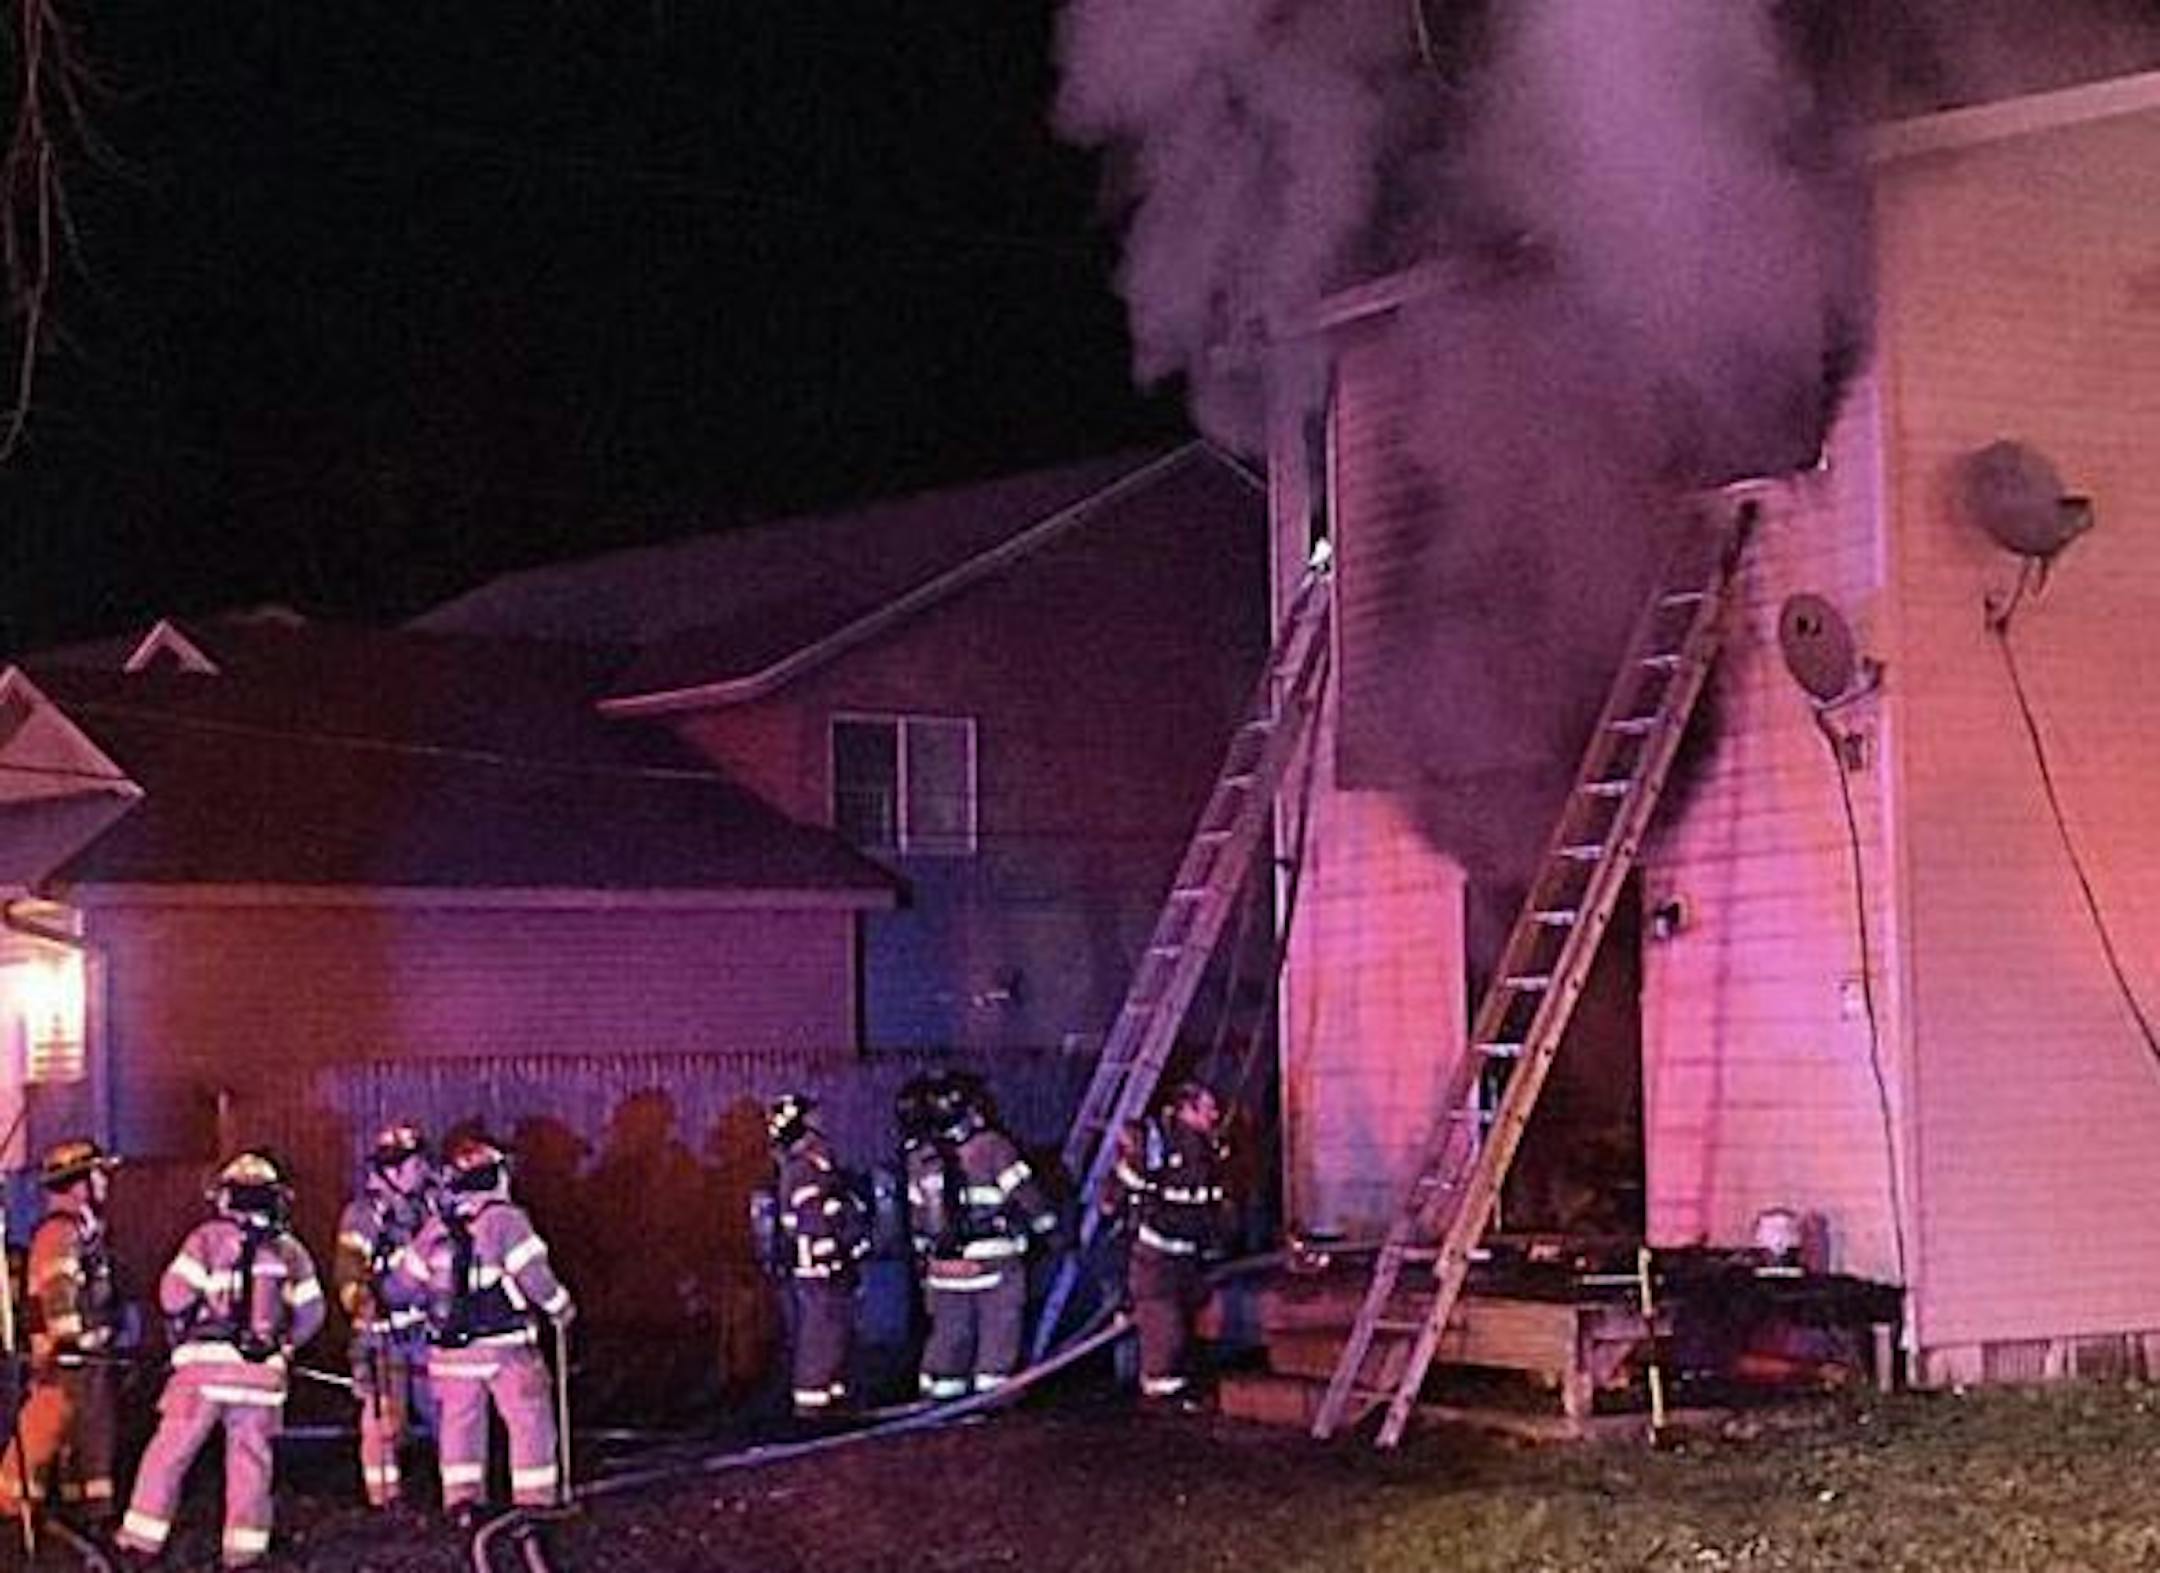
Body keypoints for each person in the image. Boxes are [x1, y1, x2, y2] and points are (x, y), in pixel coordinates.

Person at [116, 1149, 326, 1569]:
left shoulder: (205, 1239)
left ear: (226, 1197)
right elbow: (313, 1312)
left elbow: (172, 1296)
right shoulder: (290, 1250)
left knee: (170, 1452)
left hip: (203, 1371)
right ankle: (243, 1553)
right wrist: (286, 1346)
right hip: (260, 1377)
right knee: (250, 1462)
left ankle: (139, 1543)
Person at [399, 1134, 573, 1527]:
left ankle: (461, 1503)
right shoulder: (506, 1220)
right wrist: (561, 1309)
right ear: (496, 1177)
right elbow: (535, 1278)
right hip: (506, 1349)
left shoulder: (436, 1227)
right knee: (529, 1421)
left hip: (449, 1354)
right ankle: (535, 1502)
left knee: (459, 1427)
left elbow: (403, 1284)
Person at [904, 1073, 1059, 1400]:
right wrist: (1052, 1231)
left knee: (949, 1337)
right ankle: (994, 1402)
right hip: (995, 1264)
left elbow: (918, 1221)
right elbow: (1028, 1197)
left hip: (944, 1270)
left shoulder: (920, 1158)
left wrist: (928, 1265)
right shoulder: (994, 1148)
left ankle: (942, 1402)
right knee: (998, 1336)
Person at [0, 1138, 125, 1528]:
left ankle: (89, 1513)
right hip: (66, 1357)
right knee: (45, 1425)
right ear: (78, 1183)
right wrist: (68, 1342)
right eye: (98, 1174)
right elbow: (57, 1291)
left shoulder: (85, 1231)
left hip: (89, 1357)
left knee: (90, 1432)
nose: (105, 1181)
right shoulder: (59, 1233)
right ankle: (9, 1508)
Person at [1109, 1080, 1235, 1408]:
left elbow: (1212, 1204)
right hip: (1156, 1258)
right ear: (1186, 1109)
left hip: (1189, 1260)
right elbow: (1119, 1195)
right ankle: (1159, 1413)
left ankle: (1175, 1401)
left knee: (1185, 1335)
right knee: (1165, 1335)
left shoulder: (1210, 1147)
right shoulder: (1158, 1144)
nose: (1215, 1114)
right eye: (1208, 1108)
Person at [332, 1121, 437, 1509]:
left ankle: (457, 1494)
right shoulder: (363, 1216)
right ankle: (384, 1499)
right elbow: (348, 1271)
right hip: (381, 1336)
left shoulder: (430, 1208)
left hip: (427, 1331)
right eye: (412, 1165)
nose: (419, 1171)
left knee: (447, 1412)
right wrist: (363, 1304)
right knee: (383, 1421)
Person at [765, 1093, 870, 1417]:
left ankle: (833, 1398)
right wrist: (833, 1260)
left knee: (834, 1334)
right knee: (818, 1336)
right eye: (813, 1122)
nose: (821, 1127)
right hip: (819, 1273)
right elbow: (814, 1226)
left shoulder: (812, 1168)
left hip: (824, 1270)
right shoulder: (805, 1171)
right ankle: (812, 1408)